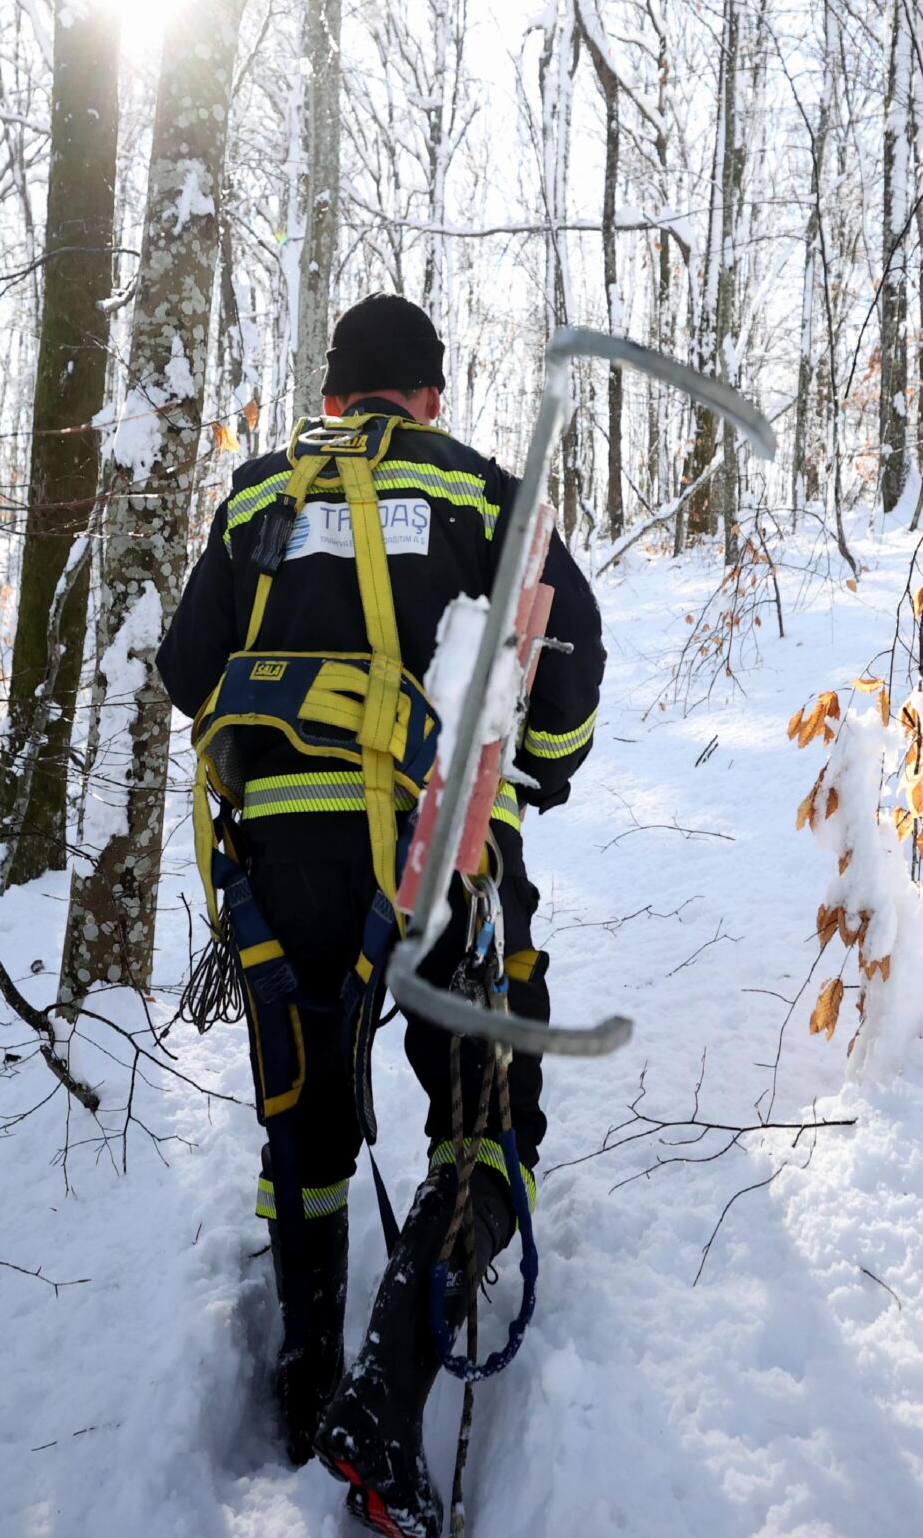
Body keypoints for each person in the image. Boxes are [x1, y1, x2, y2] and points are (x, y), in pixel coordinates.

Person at [156, 293, 605, 1536]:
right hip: (433, 860)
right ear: (430, 399)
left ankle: (304, 1388)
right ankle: (385, 1398)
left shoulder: (256, 498)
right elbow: (568, 662)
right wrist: (544, 770)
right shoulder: (477, 491)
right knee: (487, 1121)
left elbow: (187, 673)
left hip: (271, 870)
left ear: (335, 396)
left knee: (305, 1131)